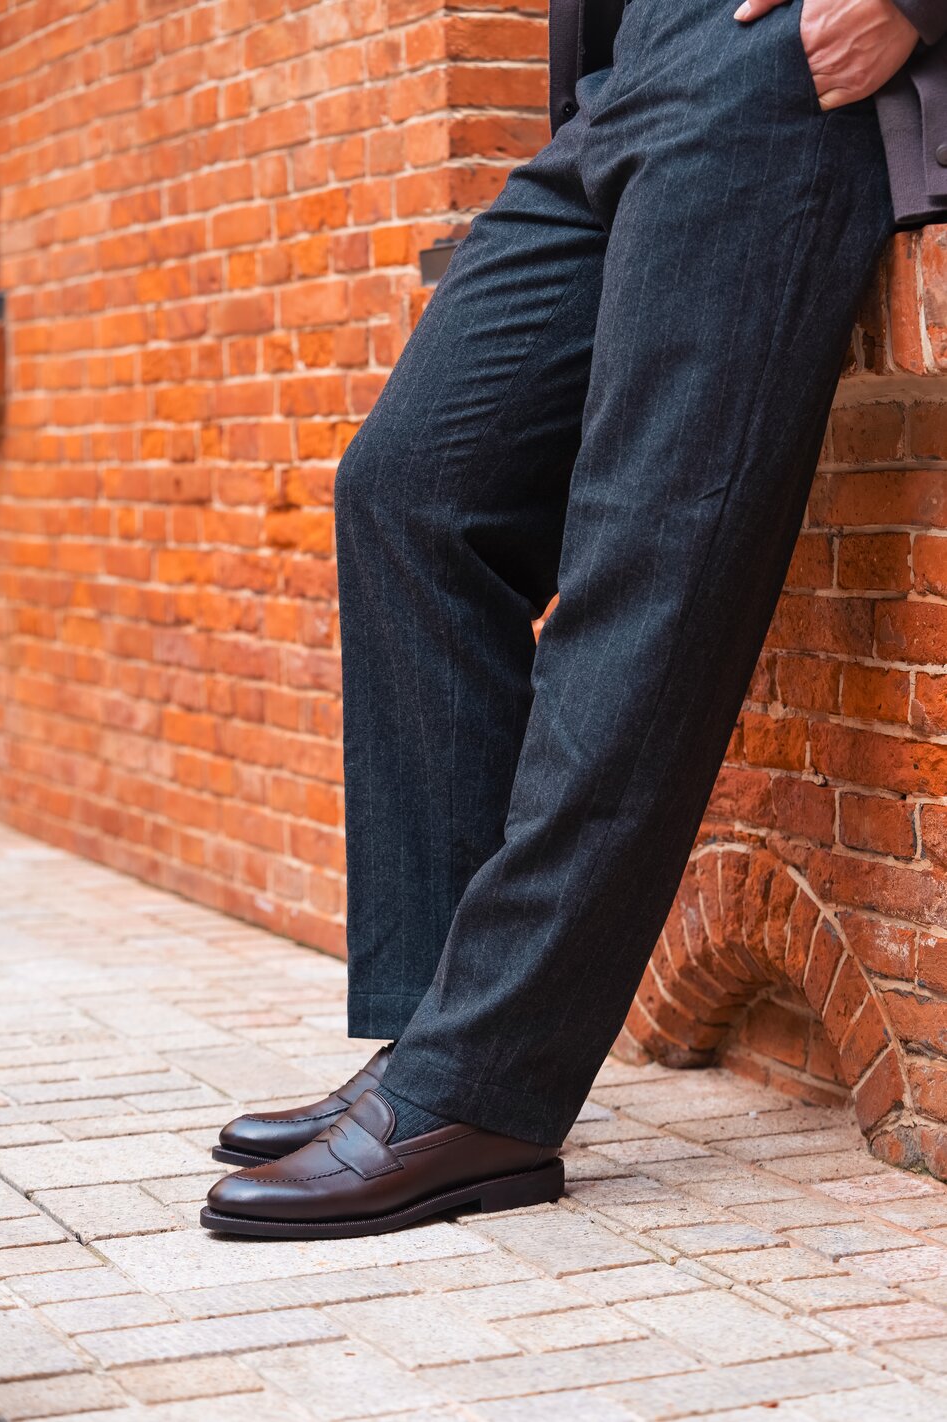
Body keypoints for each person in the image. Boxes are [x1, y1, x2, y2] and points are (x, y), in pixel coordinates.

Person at [201, 0, 939, 1239]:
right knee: (413, 491)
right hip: (625, 73)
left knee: (647, 570)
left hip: (777, 68)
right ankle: (445, 1046)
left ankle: (472, 1093)